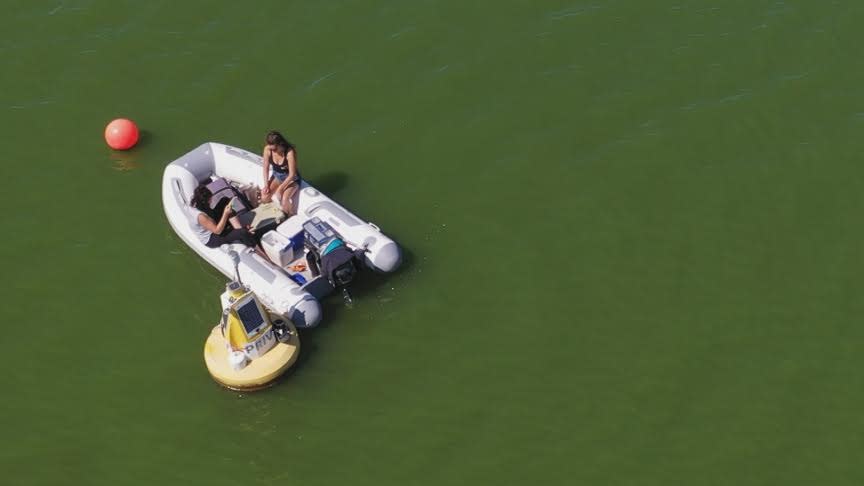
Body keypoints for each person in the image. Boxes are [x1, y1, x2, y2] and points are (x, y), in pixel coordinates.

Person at [189, 185, 258, 248]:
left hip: (212, 220)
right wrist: (225, 214)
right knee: (243, 232)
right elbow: (217, 231)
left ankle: (237, 228)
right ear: (204, 201)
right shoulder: (201, 216)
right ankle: (255, 247)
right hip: (212, 237)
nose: (211, 200)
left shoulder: (197, 202)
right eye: (209, 199)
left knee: (224, 200)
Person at [261, 130, 301, 215]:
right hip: (277, 176)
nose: (273, 151)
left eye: (275, 149)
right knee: (264, 198)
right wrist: (266, 185)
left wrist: (281, 188)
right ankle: (272, 214)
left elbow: (292, 174)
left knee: (284, 199)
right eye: (271, 149)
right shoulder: (267, 149)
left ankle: (290, 216)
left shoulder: (289, 152)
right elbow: (265, 167)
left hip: (291, 179)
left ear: (280, 144)